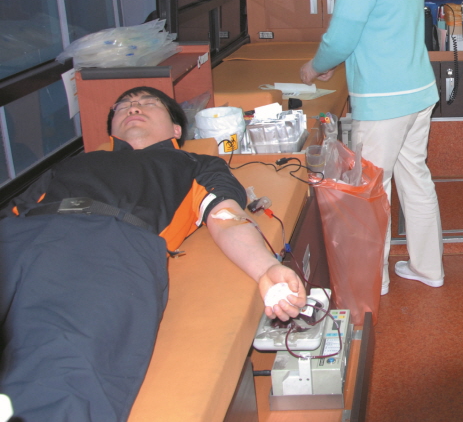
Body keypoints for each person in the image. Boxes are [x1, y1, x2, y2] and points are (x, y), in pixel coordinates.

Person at [0, 86, 307, 422]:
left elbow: (228, 219)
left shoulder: (194, 165)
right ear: (111, 127)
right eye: (124, 105)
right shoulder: (74, 164)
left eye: (149, 103)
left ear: (176, 129)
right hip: (21, 236)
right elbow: (13, 212)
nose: (134, 107)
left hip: (103, 245)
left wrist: (265, 269)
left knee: (56, 371)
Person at [300, 0, 443, 294]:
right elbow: (385, 26)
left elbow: (341, 37)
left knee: (371, 190)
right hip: (418, 91)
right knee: (416, 179)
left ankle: (372, 282)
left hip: (384, 101)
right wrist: (336, 61)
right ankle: (429, 268)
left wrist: (315, 66)